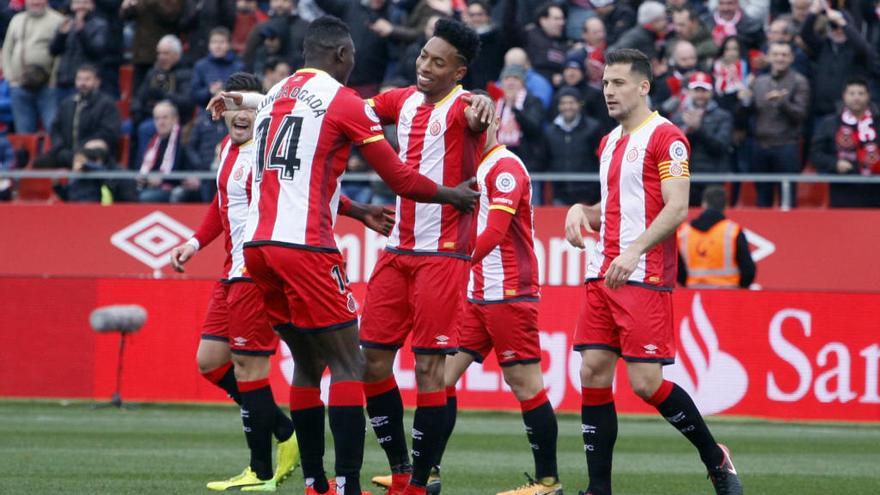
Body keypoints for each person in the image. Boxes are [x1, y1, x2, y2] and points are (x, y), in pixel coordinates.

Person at [206, 16, 482, 495]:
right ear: (340, 56)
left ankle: (319, 482)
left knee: (308, 365)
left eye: (436, 60)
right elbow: (398, 178)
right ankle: (348, 483)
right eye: (353, 56)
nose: (423, 66)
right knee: (351, 365)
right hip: (307, 248)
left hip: (257, 249)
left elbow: (273, 108)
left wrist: (239, 100)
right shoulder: (345, 100)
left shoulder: (277, 94)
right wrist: (451, 195)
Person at [563, 48, 742, 495]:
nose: (608, 91)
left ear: (643, 86)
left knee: (646, 383)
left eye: (618, 83)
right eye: (605, 83)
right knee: (592, 372)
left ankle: (715, 457)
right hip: (603, 272)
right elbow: (616, 208)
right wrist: (581, 210)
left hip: (642, 274)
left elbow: (676, 206)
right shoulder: (609, 143)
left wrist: (634, 250)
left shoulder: (668, 138)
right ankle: (597, 489)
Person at [358, 18, 493, 495]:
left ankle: (419, 482)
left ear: (458, 73)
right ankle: (399, 469)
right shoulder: (400, 101)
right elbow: (350, 110)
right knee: (371, 361)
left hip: (443, 257)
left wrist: (485, 104)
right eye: (423, 56)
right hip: (397, 254)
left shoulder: (462, 107)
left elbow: (481, 114)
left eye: (438, 62)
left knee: (429, 370)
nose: (426, 67)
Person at [436, 105, 562, 495]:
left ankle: (547, 482)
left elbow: (494, 231)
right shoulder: (477, 171)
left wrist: (455, 263)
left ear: (487, 124)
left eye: (472, 125)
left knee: (525, 384)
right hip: (480, 295)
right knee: (439, 379)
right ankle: (427, 473)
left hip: (509, 292)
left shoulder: (504, 166)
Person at [750, 41, 810, 208]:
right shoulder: (759, 81)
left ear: (791, 58)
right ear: (769, 57)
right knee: (762, 197)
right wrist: (745, 99)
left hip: (786, 146)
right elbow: (749, 112)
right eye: (776, 54)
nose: (780, 58)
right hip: (761, 145)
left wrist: (783, 102)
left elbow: (800, 115)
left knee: (788, 198)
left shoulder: (799, 82)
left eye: (784, 55)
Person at [811, 77, 880, 208]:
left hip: (875, 188)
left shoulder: (877, 123)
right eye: (852, 93)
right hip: (842, 187)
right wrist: (834, 163)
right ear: (844, 96)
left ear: (868, 96)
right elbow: (815, 154)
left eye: (861, 93)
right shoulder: (830, 123)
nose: (856, 98)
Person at [37, 64, 120, 169]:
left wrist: (82, 147)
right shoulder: (67, 103)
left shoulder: (107, 104)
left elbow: (109, 132)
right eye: (79, 79)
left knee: (83, 160)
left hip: (91, 152)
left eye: (87, 79)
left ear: (97, 82)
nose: (82, 83)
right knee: (40, 162)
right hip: (65, 151)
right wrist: (60, 147)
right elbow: (55, 128)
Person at [1, 0, 65, 133]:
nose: (36, 2)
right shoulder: (17, 20)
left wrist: (53, 79)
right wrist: (10, 78)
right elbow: (7, 49)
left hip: (48, 85)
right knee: (24, 133)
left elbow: (61, 53)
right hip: (19, 84)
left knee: (52, 129)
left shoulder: (58, 20)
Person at [671, 72, 734, 205]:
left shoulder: (723, 116)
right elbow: (673, 149)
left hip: (714, 178)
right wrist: (688, 131)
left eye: (704, 90)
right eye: (696, 90)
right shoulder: (678, 117)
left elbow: (721, 146)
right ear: (689, 92)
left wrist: (699, 129)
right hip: (686, 178)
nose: (700, 94)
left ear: (711, 92)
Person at [677, 186, 756, 288]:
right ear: (725, 206)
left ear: (704, 204)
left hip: (695, 293)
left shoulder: (684, 232)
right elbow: (748, 270)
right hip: (728, 294)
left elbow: (678, 268)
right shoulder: (733, 231)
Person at [545, 87, 602, 205]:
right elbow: (545, 158)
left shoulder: (593, 128)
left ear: (579, 104)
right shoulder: (550, 131)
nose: (567, 107)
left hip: (589, 195)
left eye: (571, 103)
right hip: (560, 194)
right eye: (563, 103)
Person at [137, 101, 199, 203]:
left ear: (175, 119)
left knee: (144, 197)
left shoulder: (184, 139)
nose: (160, 122)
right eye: (157, 118)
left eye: (165, 118)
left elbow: (186, 171)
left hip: (176, 187)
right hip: (153, 187)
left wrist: (161, 179)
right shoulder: (153, 142)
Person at [49, 0, 110, 105]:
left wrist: (81, 32)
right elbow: (53, 51)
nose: (81, 6)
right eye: (77, 3)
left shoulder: (99, 24)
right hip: (63, 81)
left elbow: (96, 52)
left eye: (85, 3)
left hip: (85, 84)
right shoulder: (66, 22)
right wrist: (61, 35)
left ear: (92, 5)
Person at [191, 27, 245, 109]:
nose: (217, 46)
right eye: (214, 42)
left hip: (231, 111)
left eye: (222, 42)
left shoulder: (239, 66)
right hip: (206, 114)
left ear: (229, 45)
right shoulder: (201, 66)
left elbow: (244, 93)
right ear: (209, 45)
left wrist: (225, 91)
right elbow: (194, 95)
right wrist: (209, 91)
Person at [523, 2, 568, 86]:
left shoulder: (564, 42)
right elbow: (508, 26)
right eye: (557, 19)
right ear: (543, 20)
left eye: (562, 19)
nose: (562, 23)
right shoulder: (529, 35)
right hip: (530, 82)